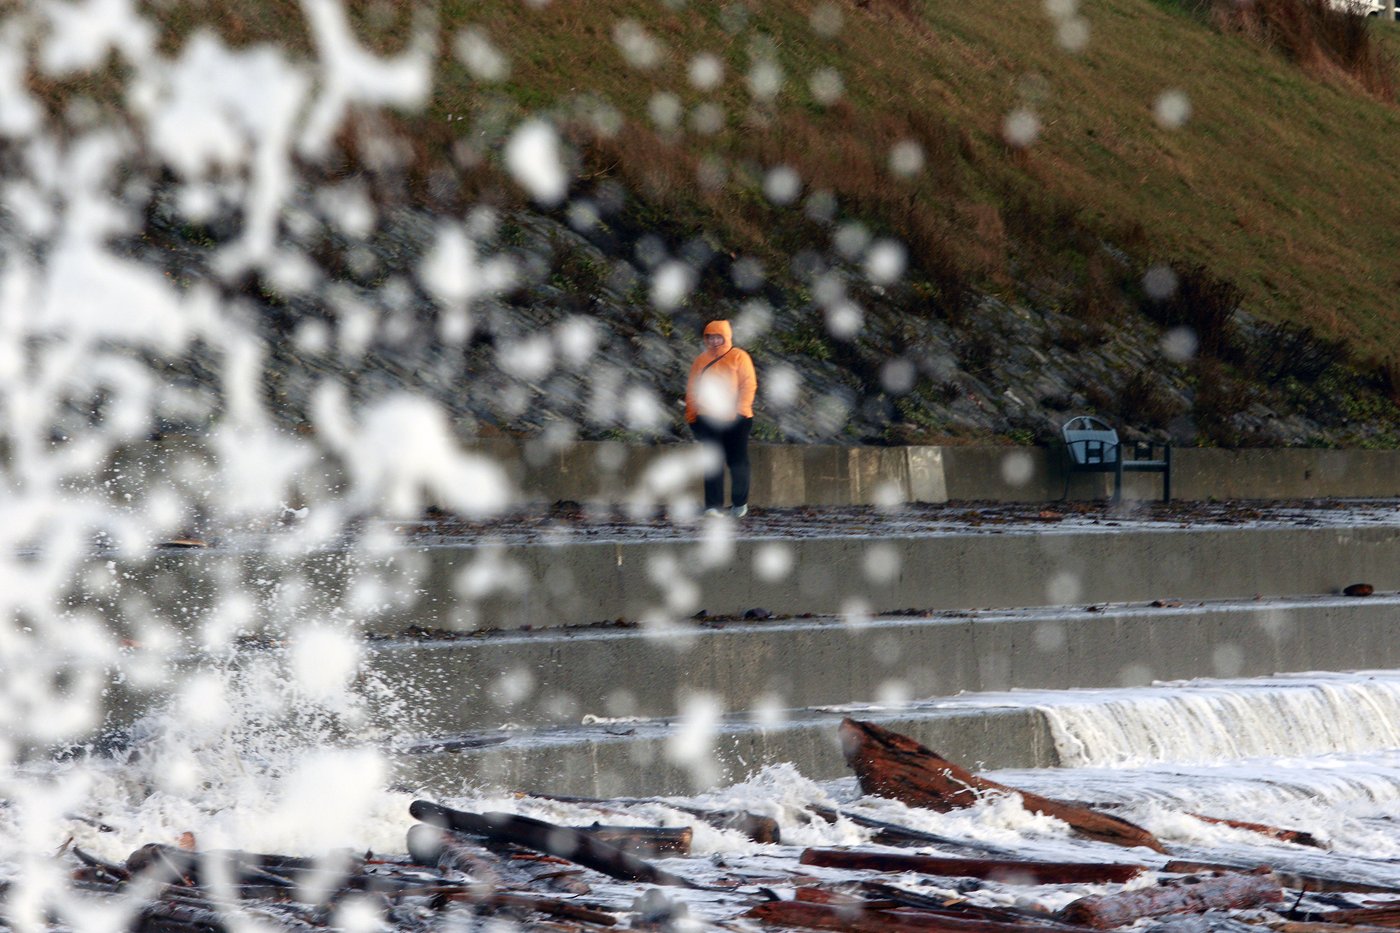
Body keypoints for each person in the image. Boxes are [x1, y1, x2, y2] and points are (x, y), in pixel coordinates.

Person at [684, 320, 758, 518]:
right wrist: (692, 416)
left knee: (737, 462)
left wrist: (740, 411)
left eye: (718, 337)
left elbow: (748, 385)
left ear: (727, 336)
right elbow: (693, 389)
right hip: (708, 418)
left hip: (737, 419)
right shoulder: (701, 360)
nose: (714, 341)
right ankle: (713, 506)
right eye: (710, 337)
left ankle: (739, 504)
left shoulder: (739, 357)